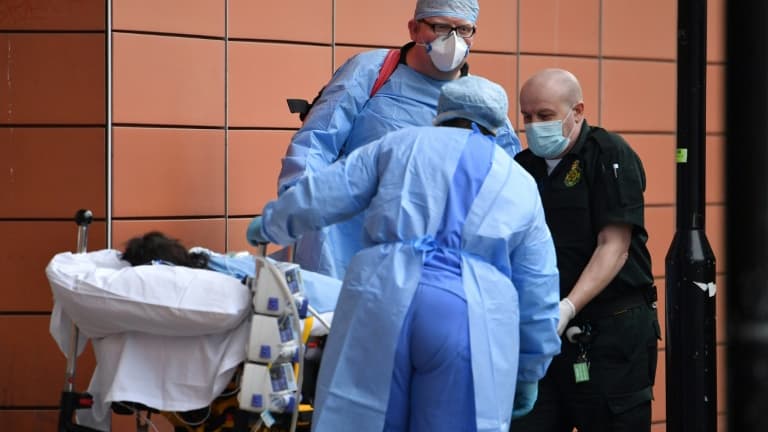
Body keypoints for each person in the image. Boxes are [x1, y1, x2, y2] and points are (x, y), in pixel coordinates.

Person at [247, 75, 560, 432]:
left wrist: (273, 222)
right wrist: (531, 368)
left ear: (441, 111)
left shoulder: (398, 144)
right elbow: (538, 283)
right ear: (497, 122)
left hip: (383, 296)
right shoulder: (518, 180)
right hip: (472, 314)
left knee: (361, 417)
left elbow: (329, 191)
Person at [278, 0, 522, 280]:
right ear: (414, 29)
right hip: (345, 242)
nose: (453, 40)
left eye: (464, 30)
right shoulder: (373, 71)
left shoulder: (481, 103)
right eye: (441, 27)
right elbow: (316, 142)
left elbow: (507, 188)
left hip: (432, 260)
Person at [511, 68, 660, 431]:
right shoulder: (522, 168)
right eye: (527, 117)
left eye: (545, 116)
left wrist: (569, 306)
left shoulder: (608, 153)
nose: (534, 125)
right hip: (545, 336)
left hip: (610, 335)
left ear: (576, 111)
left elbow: (615, 245)